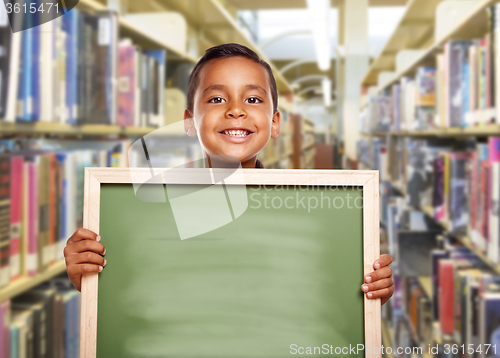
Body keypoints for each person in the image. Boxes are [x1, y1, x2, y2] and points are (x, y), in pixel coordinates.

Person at [64, 43, 394, 305]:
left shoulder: (316, 212)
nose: (236, 110)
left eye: (252, 98)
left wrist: (369, 291)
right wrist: (91, 279)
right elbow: (135, 292)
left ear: (275, 122)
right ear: (190, 122)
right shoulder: (145, 207)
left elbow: (326, 295)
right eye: (217, 98)